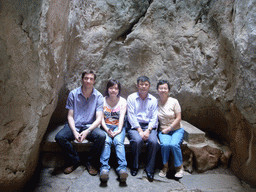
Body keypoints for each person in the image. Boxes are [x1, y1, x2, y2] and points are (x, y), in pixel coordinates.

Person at [55, 69, 106, 175]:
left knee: (101, 136)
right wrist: (74, 131)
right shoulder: (73, 94)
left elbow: (99, 119)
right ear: (82, 79)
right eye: (86, 78)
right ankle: (74, 160)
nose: (88, 81)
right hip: (75, 124)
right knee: (59, 137)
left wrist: (87, 131)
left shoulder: (99, 97)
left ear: (94, 81)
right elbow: (70, 116)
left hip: (89, 126)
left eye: (91, 79)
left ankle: (89, 162)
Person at [127, 76, 159, 182]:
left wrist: (148, 130)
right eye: (141, 84)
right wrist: (140, 131)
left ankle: (150, 169)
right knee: (137, 140)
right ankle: (135, 166)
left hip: (150, 126)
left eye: (146, 84)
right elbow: (131, 116)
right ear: (137, 86)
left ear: (149, 86)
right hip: (135, 126)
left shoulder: (153, 100)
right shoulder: (131, 98)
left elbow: (154, 118)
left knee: (154, 142)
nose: (143, 87)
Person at [99, 79, 128, 183]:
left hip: (118, 127)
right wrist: (107, 130)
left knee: (118, 142)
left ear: (119, 90)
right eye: (111, 88)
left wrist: (119, 130)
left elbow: (122, 117)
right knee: (106, 142)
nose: (113, 90)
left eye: (116, 88)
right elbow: (101, 118)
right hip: (105, 126)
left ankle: (122, 169)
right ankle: (104, 169)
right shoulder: (102, 100)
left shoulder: (123, 101)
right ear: (107, 89)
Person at [157, 80, 184, 178]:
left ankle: (179, 167)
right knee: (165, 145)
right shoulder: (156, 103)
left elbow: (178, 118)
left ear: (168, 90)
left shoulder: (174, 101)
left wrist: (169, 128)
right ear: (157, 90)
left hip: (176, 129)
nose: (163, 90)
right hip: (163, 131)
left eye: (165, 88)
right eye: (161, 88)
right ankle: (165, 167)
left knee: (174, 144)